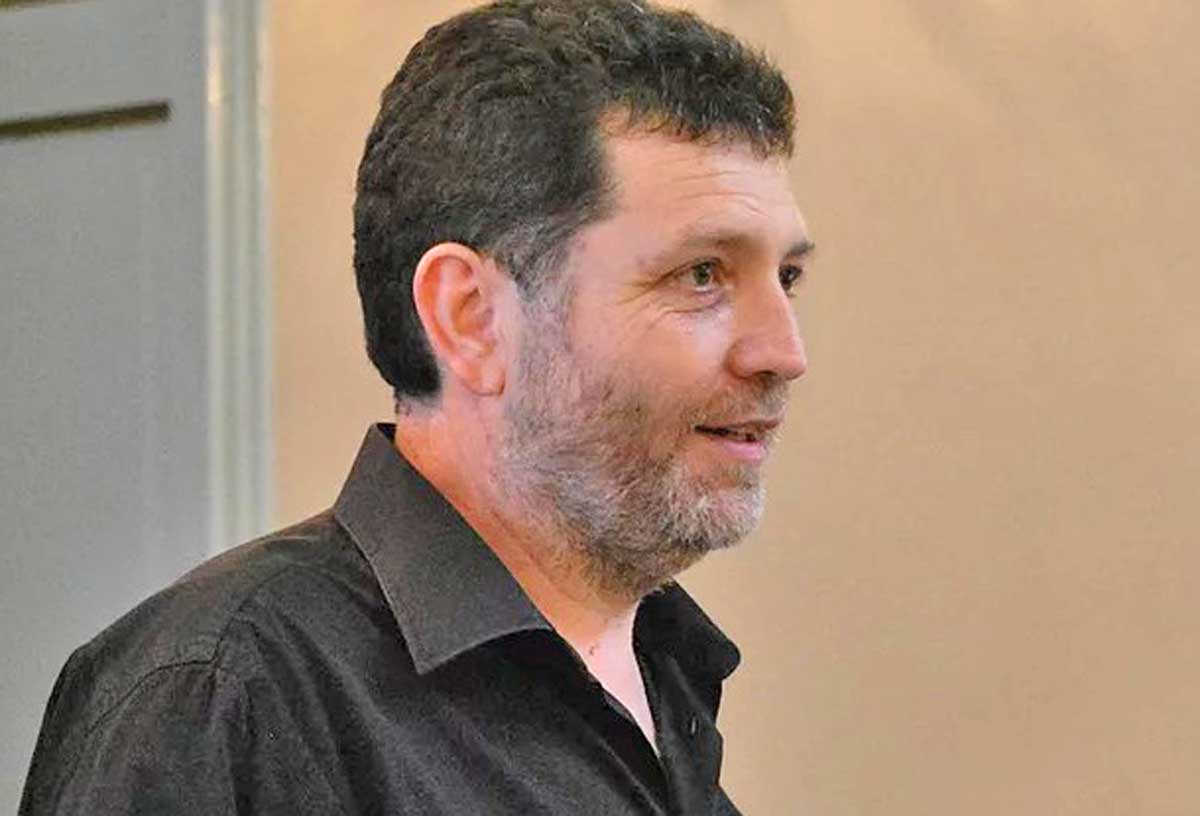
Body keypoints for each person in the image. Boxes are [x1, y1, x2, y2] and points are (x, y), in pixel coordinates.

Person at [20, 1, 812, 813]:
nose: (784, 353)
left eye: (787, 277)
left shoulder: (666, 667)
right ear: (471, 318)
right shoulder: (222, 699)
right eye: (702, 275)